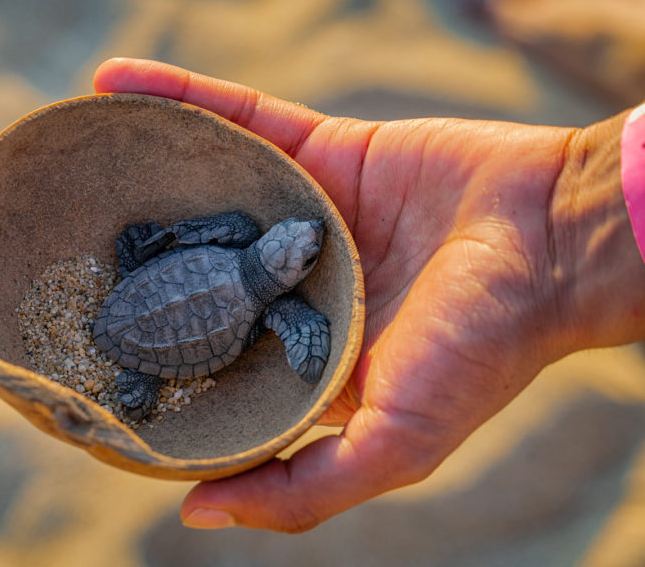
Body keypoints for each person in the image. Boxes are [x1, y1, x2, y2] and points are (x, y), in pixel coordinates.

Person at [93, 57, 645, 533]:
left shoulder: (238, 238)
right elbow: (311, 357)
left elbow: (195, 241)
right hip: (168, 333)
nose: (312, 234)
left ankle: (137, 332)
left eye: (304, 248)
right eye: (305, 252)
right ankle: (140, 380)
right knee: (167, 367)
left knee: (163, 260)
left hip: (154, 287)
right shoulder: (277, 301)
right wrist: (563, 213)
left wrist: (562, 218)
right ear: (280, 264)